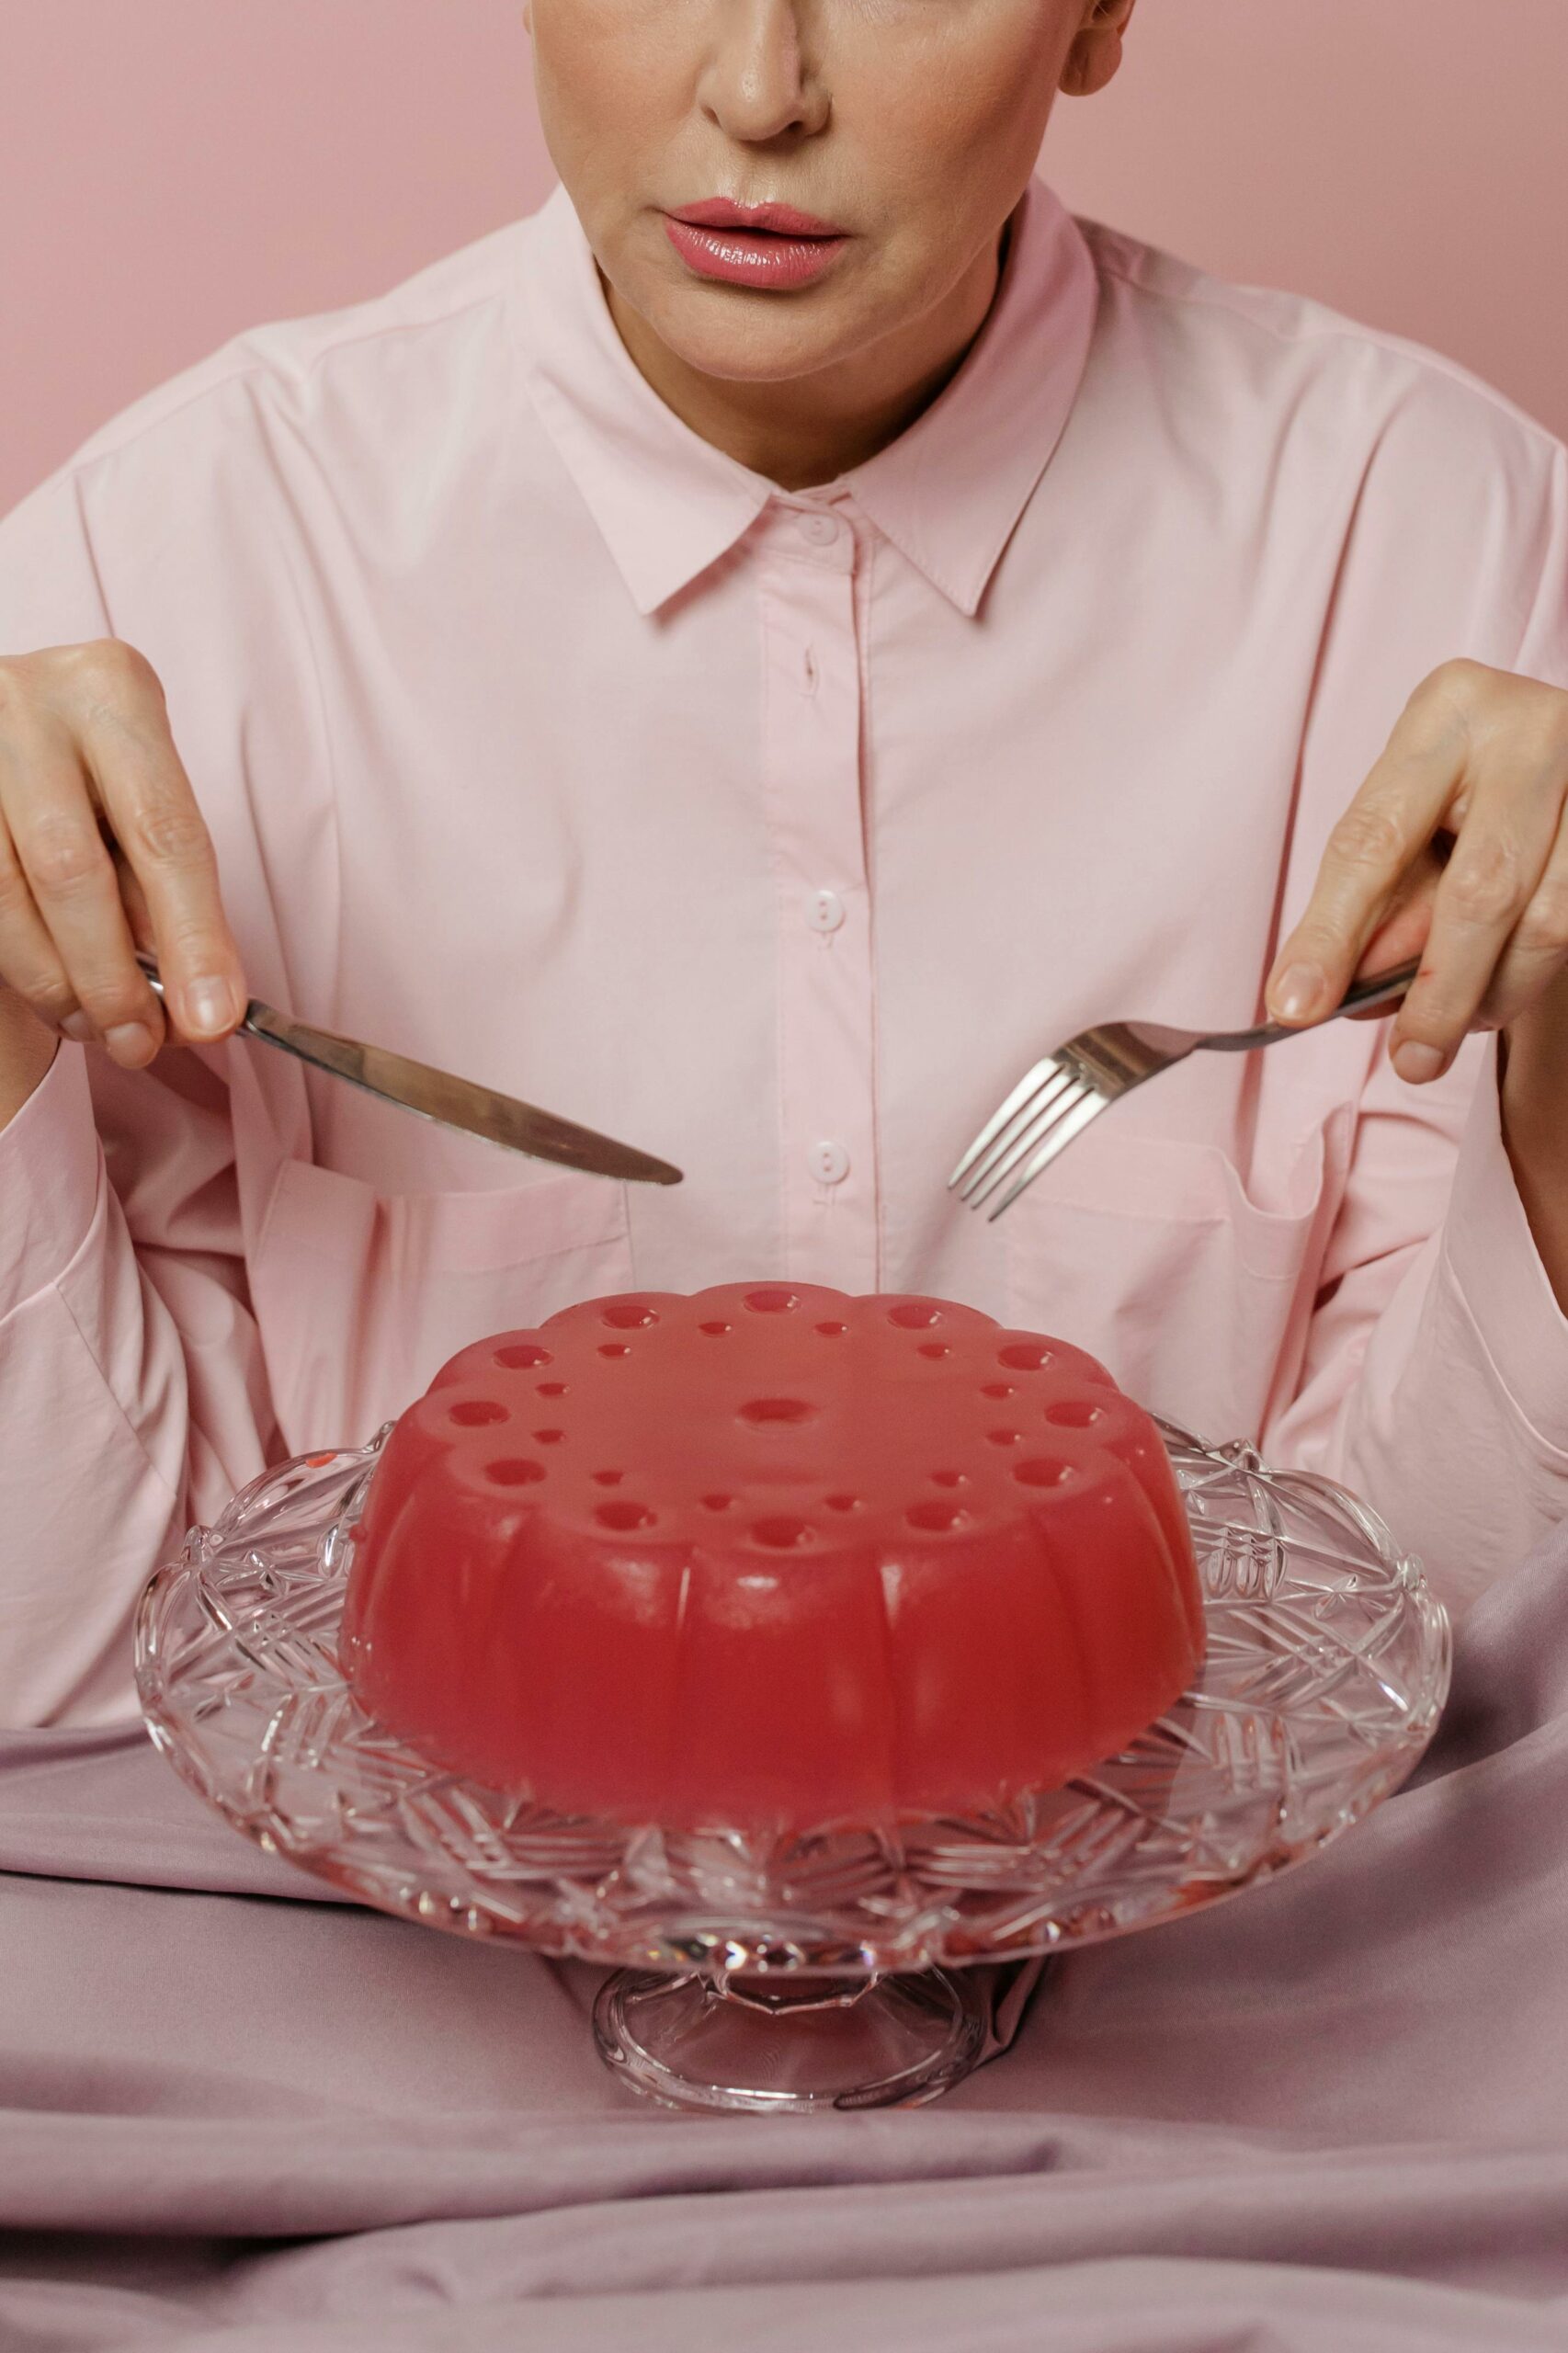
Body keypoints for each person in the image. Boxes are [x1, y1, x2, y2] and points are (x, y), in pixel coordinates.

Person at [1, 0, 1565, 1723]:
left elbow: (1437, 1656)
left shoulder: (1449, 548)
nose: (758, 93)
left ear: (1100, 15)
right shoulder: (160, 564)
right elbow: (70, 1667)